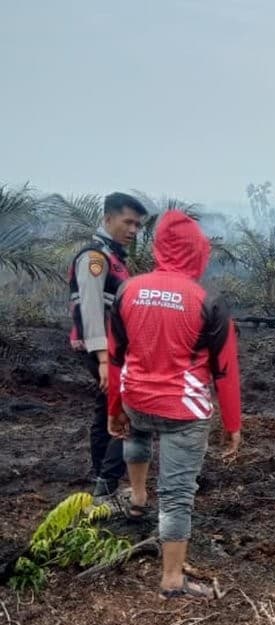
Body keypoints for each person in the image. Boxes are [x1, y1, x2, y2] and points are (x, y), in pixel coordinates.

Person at [106, 210, 242, 600]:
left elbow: (117, 357)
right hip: (183, 414)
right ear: (196, 251)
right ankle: (170, 579)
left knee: (138, 434)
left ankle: (136, 498)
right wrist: (233, 423)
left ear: (159, 247)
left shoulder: (128, 290)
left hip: (135, 399)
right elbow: (225, 371)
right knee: (178, 493)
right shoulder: (207, 301)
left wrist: (114, 408)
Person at [67, 191, 147, 497]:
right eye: (128, 222)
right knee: (126, 410)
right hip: (104, 352)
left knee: (105, 411)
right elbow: (90, 310)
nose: (133, 230)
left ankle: (102, 479)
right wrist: (104, 359)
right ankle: (107, 483)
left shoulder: (113, 258)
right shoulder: (95, 259)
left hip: (112, 352)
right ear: (107, 218)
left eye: (138, 225)